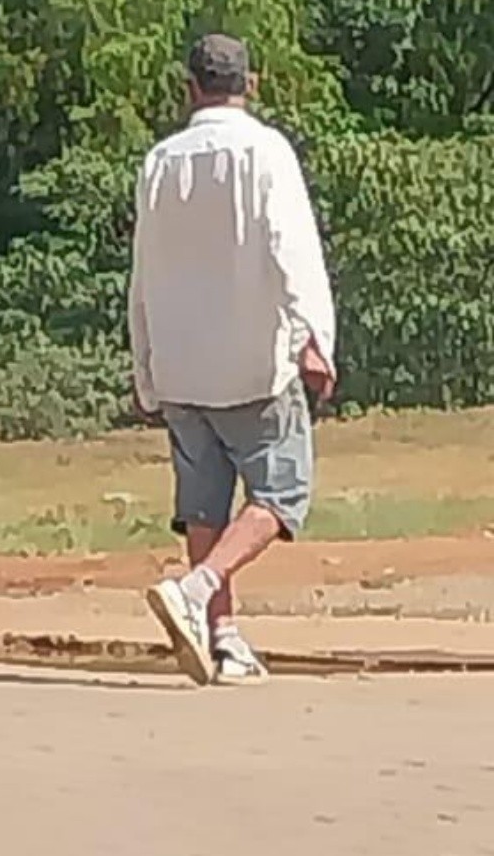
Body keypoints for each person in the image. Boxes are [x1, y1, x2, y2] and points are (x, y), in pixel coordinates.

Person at [129, 33, 337, 686]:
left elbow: (143, 268)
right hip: (253, 356)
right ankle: (199, 591)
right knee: (281, 491)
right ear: (253, 82)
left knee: (203, 506)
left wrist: (145, 363)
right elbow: (293, 248)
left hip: (183, 360)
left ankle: (222, 635)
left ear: (190, 87)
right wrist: (315, 336)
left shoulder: (161, 160)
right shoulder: (265, 150)